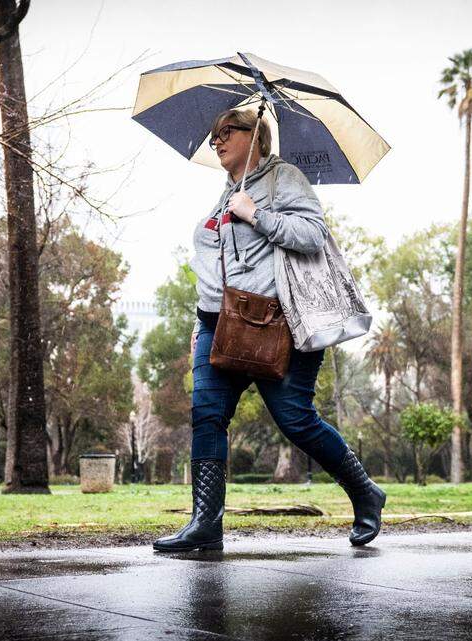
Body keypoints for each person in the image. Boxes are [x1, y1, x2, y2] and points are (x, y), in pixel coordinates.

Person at [152, 107, 386, 553]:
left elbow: (314, 235)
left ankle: (365, 492)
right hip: (219, 325)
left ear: (257, 135)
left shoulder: (283, 180)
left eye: (226, 132)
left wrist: (257, 214)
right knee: (207, 414)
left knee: (295, 418)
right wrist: (199, 321)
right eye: (213, 134)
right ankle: (206, 523)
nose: (216, 141)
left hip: (276, 322)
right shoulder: (226, 193)